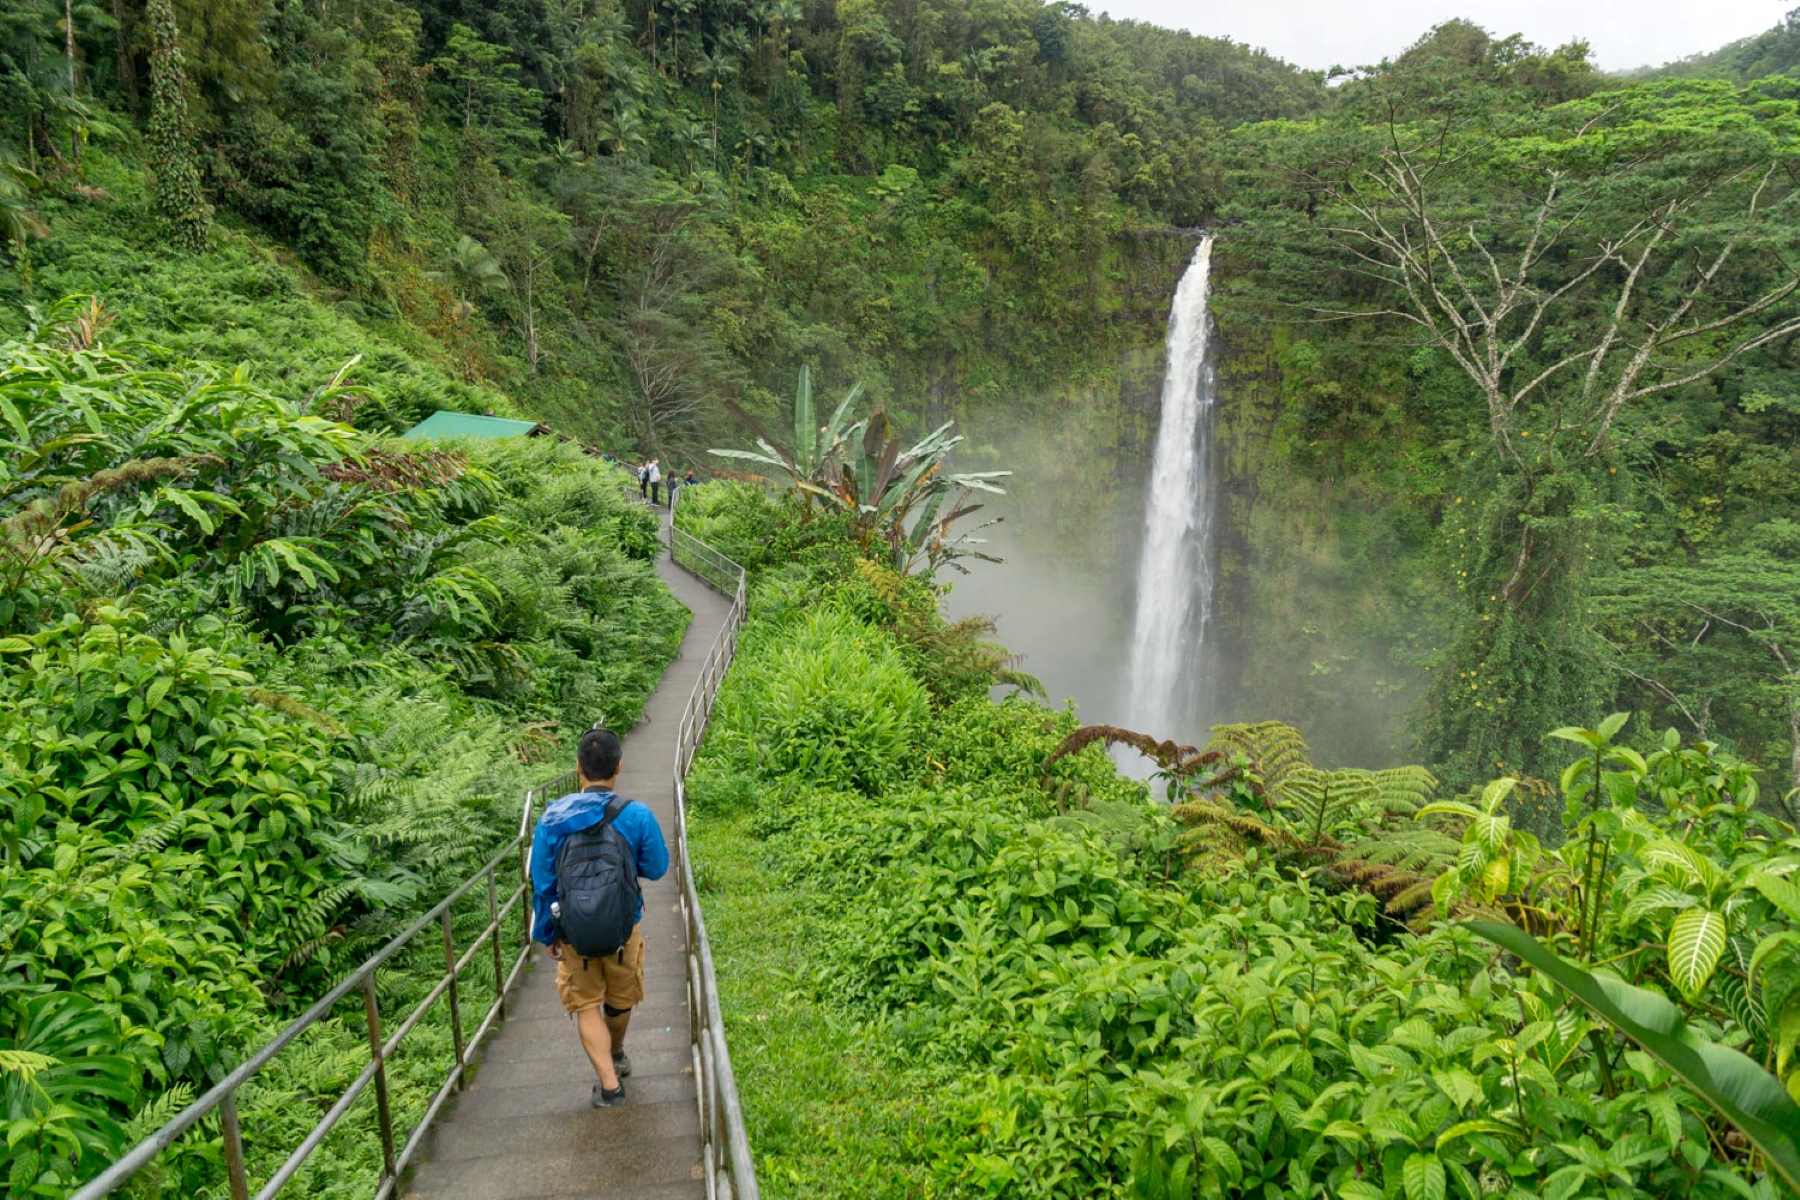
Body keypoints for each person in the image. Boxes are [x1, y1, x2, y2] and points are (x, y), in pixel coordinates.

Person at [529, 727, 669, 1108]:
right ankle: (617, 1053)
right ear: (618, 767)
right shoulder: (636, 814)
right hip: (624, 929)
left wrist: (547, 935)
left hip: (574, 934)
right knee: (619, 1001)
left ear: (578, 768)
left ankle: (609, 1087)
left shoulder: (552, 820)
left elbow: (542, 884)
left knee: (586, 1003)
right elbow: (657, 868)